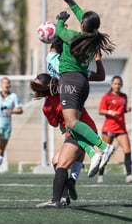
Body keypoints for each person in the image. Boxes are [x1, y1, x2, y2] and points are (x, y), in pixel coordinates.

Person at [55, 0, 116, 179]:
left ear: (82, 26)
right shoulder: (92, 38)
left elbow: (58, 31)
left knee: (71, 122)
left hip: (70, 81)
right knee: (72, 124)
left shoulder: (74, 37)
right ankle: (92, 153)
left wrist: (60, 19)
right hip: (81, 82)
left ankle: (104, 147)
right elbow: (85, 19)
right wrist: (71, 2)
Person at [31, 73, 100, 207]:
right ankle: (67, 191)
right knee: (56, 161)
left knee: (62, 164)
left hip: (77, 132)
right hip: (87, 128)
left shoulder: (48, 106)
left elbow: (54, 124)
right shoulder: (66, 90)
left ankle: (55, 200)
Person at [97, 76, 132, 183]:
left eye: (119, 84)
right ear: (111, 84)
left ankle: (129, 175)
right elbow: (100, 110)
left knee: (127, 150)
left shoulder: (124, 96)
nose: (117, 86)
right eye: (115, 83)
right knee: (106, 152)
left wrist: (127, 109)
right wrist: (110, 112)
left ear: (121, 85)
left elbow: (122, 110)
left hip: (121, 128)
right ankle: (100, 174)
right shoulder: (106, 97)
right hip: (109, 128)